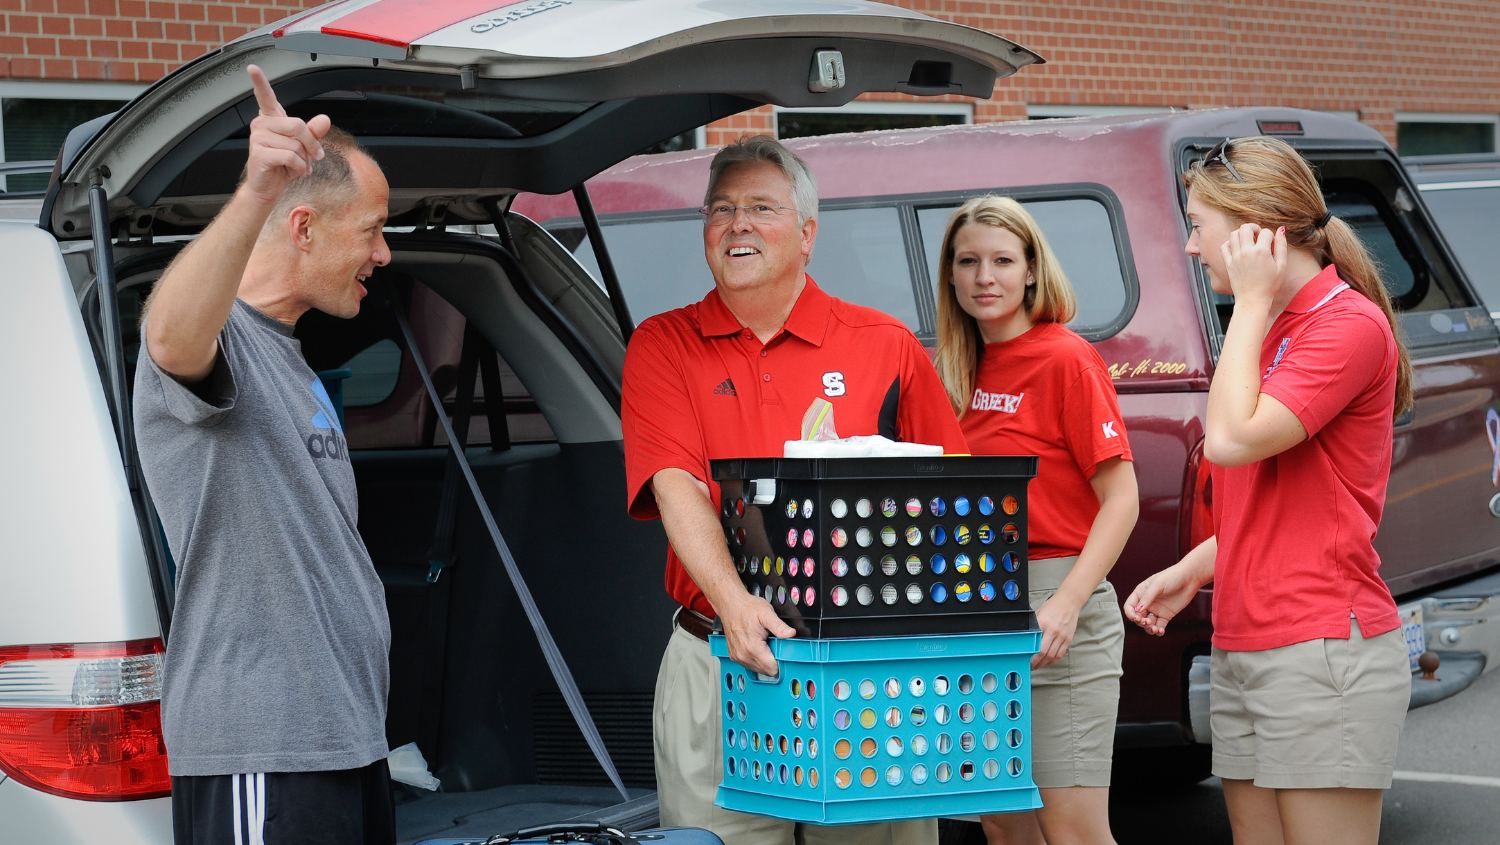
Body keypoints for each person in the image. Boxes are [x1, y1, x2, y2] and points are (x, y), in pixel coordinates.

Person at [621, 134, 969, 845]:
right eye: (720, 209)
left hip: (866, 678)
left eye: (760, 207)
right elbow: (676, 482)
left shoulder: (884, 343)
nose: (736, 223)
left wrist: (942, 661)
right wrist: (735, 605)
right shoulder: (663, 344)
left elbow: (950, 494)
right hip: (719, 657)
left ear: (808, 234)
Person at [1124, 136, 1413, 845]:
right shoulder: (1279, 327)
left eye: (1199, 224)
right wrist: (1192, 568)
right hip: (1248, 642)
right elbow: (1279, 502)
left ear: (1257, 229)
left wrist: (1249, 304)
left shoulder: (1344, 325)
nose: (1192, 246)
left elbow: (1227, 440)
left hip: (1318, 646)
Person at [134, 65, 395, 845]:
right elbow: (170, 337)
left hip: (345, 742)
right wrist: (254, 190)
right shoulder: (225, 346)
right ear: (304, 227)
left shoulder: (296, 361)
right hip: (264, 749)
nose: (384, 254)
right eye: (372, 230)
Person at [931, 196, 1138, 845]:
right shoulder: (956, 369)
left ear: (1030, 271)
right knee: (1007, 827)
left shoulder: (1065, 358)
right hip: (976, 610)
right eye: (968, 261)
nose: (984, 276)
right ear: (951, 276)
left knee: (1072, 830)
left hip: (1055, 608)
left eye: (1001, 260)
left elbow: (1123, 497)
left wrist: (1068, 604)